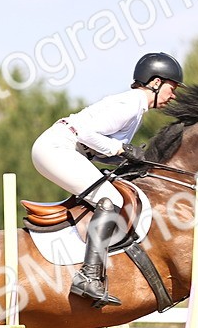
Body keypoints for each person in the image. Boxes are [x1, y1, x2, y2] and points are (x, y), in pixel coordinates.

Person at [30, 52, 184, 307]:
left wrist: (130, 159)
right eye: (172, 87)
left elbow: (100, 149)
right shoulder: (130, 103)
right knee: (109, 198)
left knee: (110, 193)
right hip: (57, 147)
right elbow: (85, 132)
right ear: (156, 83)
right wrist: (121, 150)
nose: (174, 94)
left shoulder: (136, 109)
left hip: (61, 148)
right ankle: (88, 276)